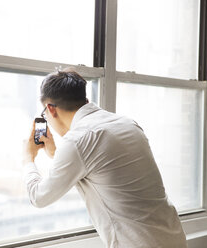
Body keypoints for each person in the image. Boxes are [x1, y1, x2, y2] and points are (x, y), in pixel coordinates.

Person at [22, 69, 187, 248]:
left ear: (51, 109)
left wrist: (28, 158)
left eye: (44, 113)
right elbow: (100, 170)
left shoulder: (77, 140)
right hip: (174, 238)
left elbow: (39, 196)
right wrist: (54, 153)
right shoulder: (127, 124)